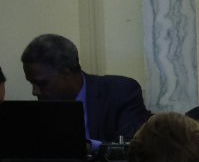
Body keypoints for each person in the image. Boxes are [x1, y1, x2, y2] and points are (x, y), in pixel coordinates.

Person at [21, 33, 151, 150]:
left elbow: (131, 146)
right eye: (32, 83)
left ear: (66, 72)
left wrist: (87, 146)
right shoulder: (41, 108)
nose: (35, 92)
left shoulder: (121, 92)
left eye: (41, 83)